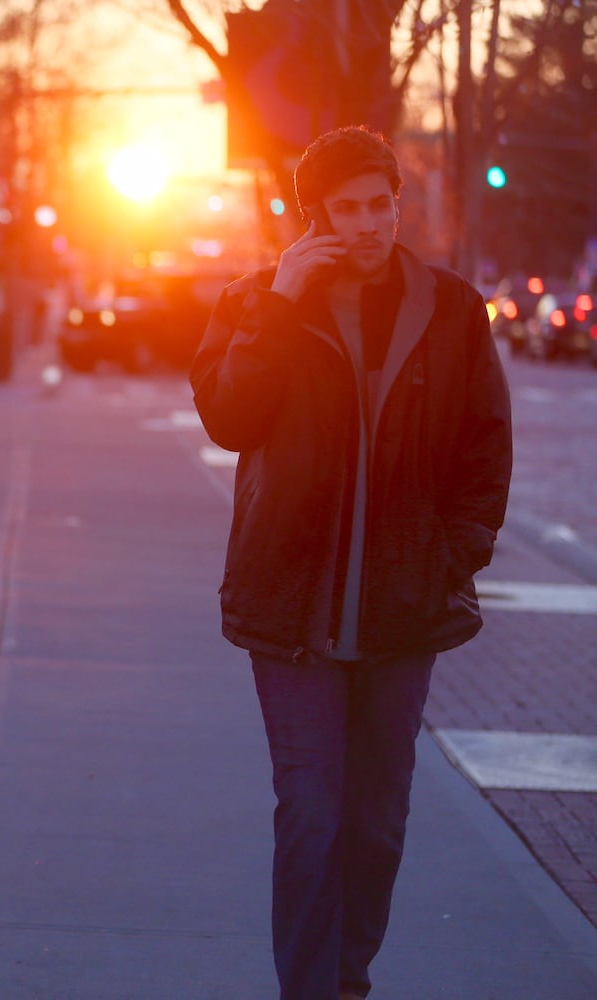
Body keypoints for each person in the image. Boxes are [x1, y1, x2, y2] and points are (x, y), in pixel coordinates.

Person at [190, 125, 512, 1000]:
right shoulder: (256, 300)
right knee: (312, 818)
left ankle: (347, 980)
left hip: (402, 611)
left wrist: (453, 557)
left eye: (381, 204)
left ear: (395, 203)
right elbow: (227, 417)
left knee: (374, 827)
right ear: (314, 218)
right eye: (348, 209)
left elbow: (485, 448)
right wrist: (277, 306)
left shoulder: (449, 308)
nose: (369, 224)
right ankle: (308, 992)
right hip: (289, 607)